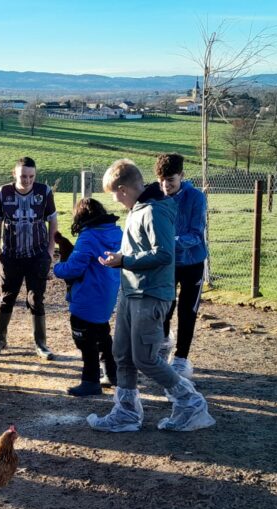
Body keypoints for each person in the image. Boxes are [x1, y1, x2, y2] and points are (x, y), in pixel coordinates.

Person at [87, 159, 214, 433]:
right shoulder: (139, 209)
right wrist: (121, 259)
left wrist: (125, 261)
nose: (115, 200)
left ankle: (191, 403)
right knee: (122, 354)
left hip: (150, 294)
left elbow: (164, 254)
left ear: (123, 189)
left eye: (114, 194)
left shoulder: (154, 211)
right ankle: (126, 413)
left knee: (145, 358)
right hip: (131, 291)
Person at [0, 156, 58, 359]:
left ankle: (41, 344)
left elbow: (53, 221)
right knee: (7, 297)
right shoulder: (3, 193)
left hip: (38, 254)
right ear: (15, 174)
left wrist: (50, 250)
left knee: (36, 298)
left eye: (31, 176)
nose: (27, 180)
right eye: (23, 176)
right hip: (11, 255)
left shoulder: (44, 192)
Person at [52, 198, 121, 397]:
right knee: (102, 333)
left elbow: (74, 268)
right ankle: (112, 373)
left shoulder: (88, 236)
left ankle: (90, 381)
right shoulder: (117, 232)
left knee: (85, 340)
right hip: (108, 292)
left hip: (87, 296)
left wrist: (56, 268)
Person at [155, 153, 208, 381]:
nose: (166, 186)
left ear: (182, 176)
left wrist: (167, 242)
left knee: (188, 311)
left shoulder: (196, 198)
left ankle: (181, 358)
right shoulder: (156, 196)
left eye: (171, 181)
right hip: (166, 263)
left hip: (192, 262)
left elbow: (196, 234)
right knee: (164, 306)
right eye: (162, 181)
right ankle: (163, 343)